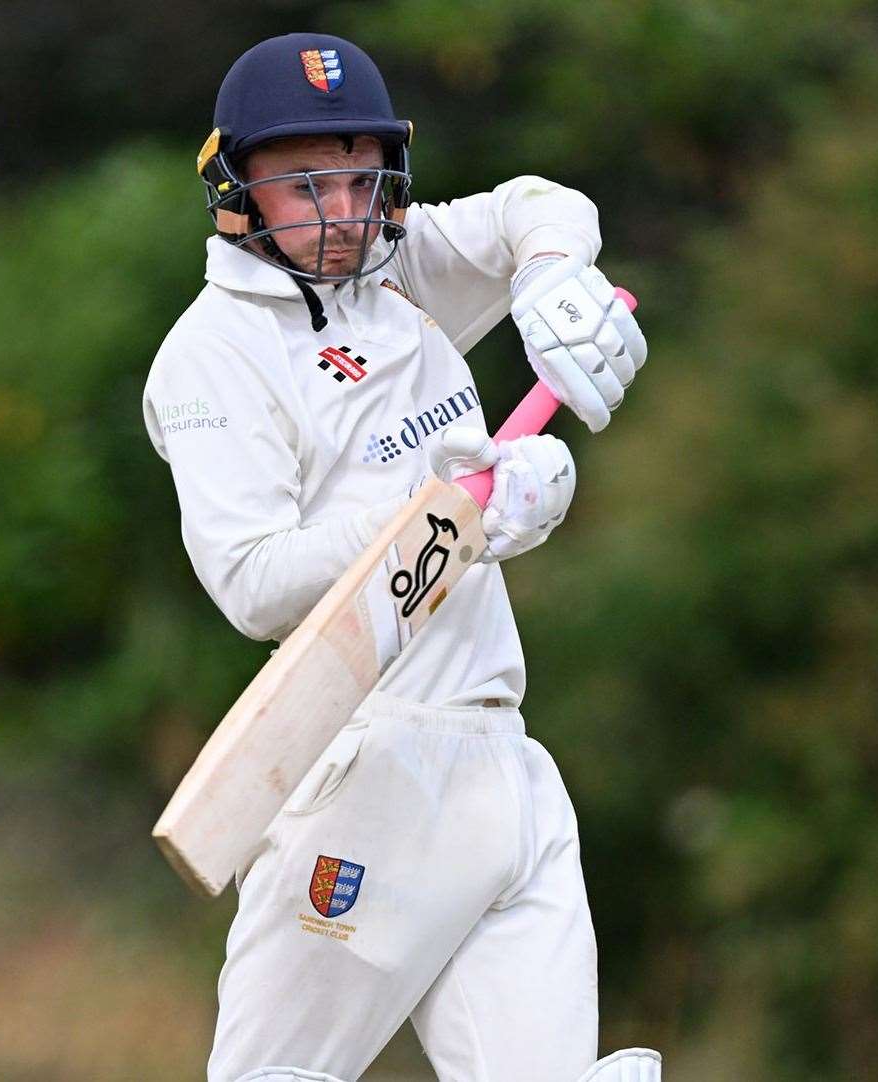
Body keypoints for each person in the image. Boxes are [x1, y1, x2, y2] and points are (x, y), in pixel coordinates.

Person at [142, 32, 652, 1082]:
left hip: (507, 769)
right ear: (236, 187)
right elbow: (252, 582)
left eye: (363, 176)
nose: (343, 211)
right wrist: (452, 503)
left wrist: (554, 276)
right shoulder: (211, 355)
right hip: (372, 764)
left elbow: (532, 207)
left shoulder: (403, 275)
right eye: (306, 181)